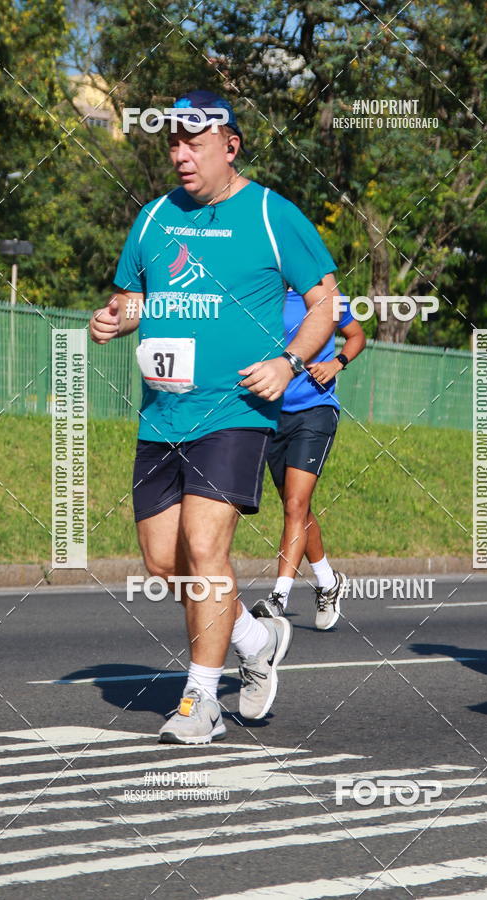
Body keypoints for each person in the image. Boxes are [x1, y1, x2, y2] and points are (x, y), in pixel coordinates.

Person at [89, 90, 338, 742]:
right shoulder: (153, 218)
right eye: (173, 141)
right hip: (163, 413)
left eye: (193, 143)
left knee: (206, 548)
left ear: (230, 146)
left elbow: (324, 304)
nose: (179, 154)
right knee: (164, 566)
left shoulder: (269, 214)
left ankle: (202, 702)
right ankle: (255, 642)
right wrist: (116, 319)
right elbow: (134, 297)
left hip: (235, 410)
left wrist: (287, 363)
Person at [251, 289, 365, 629]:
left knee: (295, 503)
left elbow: (356, 335)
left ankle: (278, 598)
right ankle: (329, 582)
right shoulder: (259, 290)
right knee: (296, 507)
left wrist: (336, 363)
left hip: (314, 411)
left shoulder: (324, 295)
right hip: (271, 414)